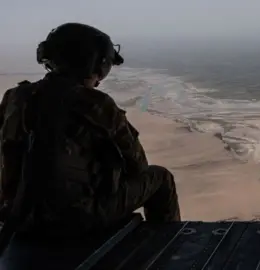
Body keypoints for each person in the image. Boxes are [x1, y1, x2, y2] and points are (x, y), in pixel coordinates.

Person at [0, 22, 180, 239]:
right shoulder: (97, 104)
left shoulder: (14, 97)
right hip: (77, 220)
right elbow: (137, 167)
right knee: (160, 177)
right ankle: (170, 249)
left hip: (18, 218)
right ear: (98, 64)